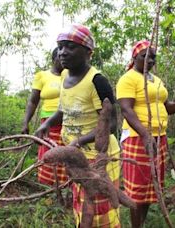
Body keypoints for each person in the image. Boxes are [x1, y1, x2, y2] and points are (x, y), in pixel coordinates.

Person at [35, 24, 121, 227]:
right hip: (75, 156)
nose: (63, 52)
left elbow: (111, 124)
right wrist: (47, 123)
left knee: (100, 212)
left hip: (98, 157)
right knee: (82, 208)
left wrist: (80, 141)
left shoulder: (97, 81)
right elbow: (63, 109)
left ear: (88, 52)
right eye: (61, 46)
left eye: (70, 47)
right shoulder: (65, 76)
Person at [116, 40, 175, 228]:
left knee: (148, 186)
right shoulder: (128, 78)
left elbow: (166, 107)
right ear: (135, 57)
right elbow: (127, 110)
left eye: (153, 56)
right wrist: (145, 135)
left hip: (158, 138)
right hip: (138, 138)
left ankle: (141, 223)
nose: (150, 60)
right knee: (137, 188)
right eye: (145, 56)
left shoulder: (156, 80)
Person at [21, 47, 67, 186]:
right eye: (60, 57)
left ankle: (67, 186)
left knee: (67, 155)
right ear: (54, 59)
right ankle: (49, 189)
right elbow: (33, 101)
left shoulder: (72, 75)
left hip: (69, 121)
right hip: (48, 123)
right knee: (50, 155)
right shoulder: (42, 76)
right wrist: (25, 123)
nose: (64, 60)